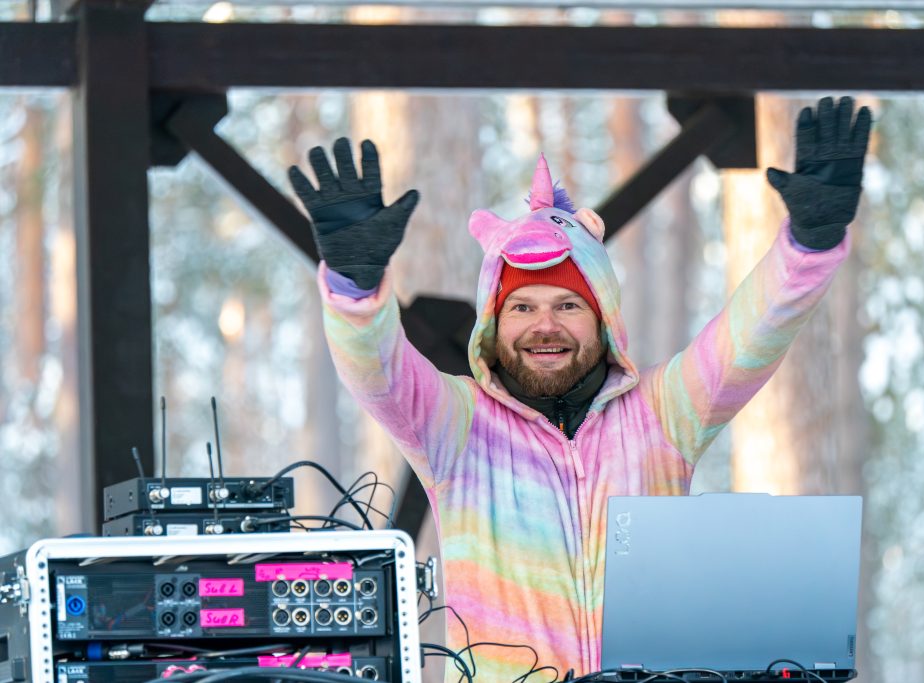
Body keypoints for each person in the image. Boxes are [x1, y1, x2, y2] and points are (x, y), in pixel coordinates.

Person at [288, 96, 872, 682]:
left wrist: (807, 246)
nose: (545, 326)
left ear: (603, 319)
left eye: (568, 305)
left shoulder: (663, 410)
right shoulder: (457, 424)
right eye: (522, 307)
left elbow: (749, 338)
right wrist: (355, 288)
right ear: (493, 324)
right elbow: (377, 372)